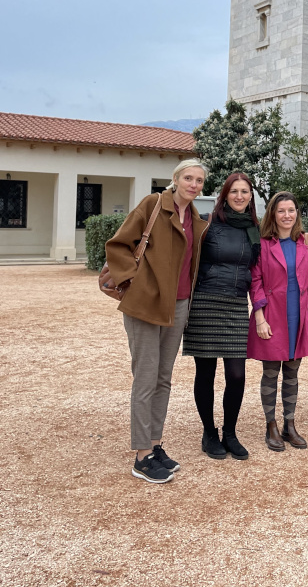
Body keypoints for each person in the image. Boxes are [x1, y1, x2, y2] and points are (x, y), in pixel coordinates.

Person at [105, 159, 209, 483]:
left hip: (178, 306)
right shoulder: (152, 204)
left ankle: (154, 444)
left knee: (163, 378)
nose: (194, 184)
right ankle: (140, 456)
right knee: (146, 378)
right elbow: (118, 245)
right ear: (175, 179)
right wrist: (136, 282)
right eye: (188, 178)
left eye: (200, 180)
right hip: (146, 305)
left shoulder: (195, 219)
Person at [182, 172, 260, 461]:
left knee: (237, 375)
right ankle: (208, 432)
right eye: (234, 191)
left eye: (244, 192)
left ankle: (230, 432)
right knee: (206, 373)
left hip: (237, 304)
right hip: (206, 302)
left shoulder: (255, 228)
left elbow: (258, 269)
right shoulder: (207, 223)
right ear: (225, 194)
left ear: (251, 196)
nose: (239, 196)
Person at [247, 191, 308, 452]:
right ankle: (271, 425)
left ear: (298, 213)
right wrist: (259, 317)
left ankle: (289, 424)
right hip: (272, 313)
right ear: (273, 213)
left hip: (299, 313)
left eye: (291, 210)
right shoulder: (261, 243)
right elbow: (256, 281)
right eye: (281, 211)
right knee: (271, 372)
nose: (287, 215)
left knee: (293, 372)